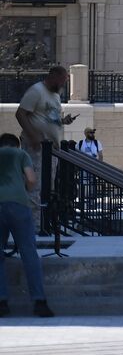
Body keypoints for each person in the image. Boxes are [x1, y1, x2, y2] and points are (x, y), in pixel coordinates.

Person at [14, 67, 77, 226]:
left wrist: (64, 121)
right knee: (34, 186)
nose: (64, 84)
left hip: (51, 150)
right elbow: (20, 114)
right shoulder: (36, 91)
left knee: (47, 188)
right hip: (36, 148)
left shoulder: (55, 95)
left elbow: (50, 119)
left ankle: (43, 223)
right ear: (53, 76)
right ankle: (33, 226)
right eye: (63, 80)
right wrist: (33, 135)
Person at [0, 132, 54, 318]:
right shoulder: (21, 154)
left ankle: (2, 302)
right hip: (19, 204)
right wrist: (26, 190)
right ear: (16, 145)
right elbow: (31, 179)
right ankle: (39, 302)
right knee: (29, 252)